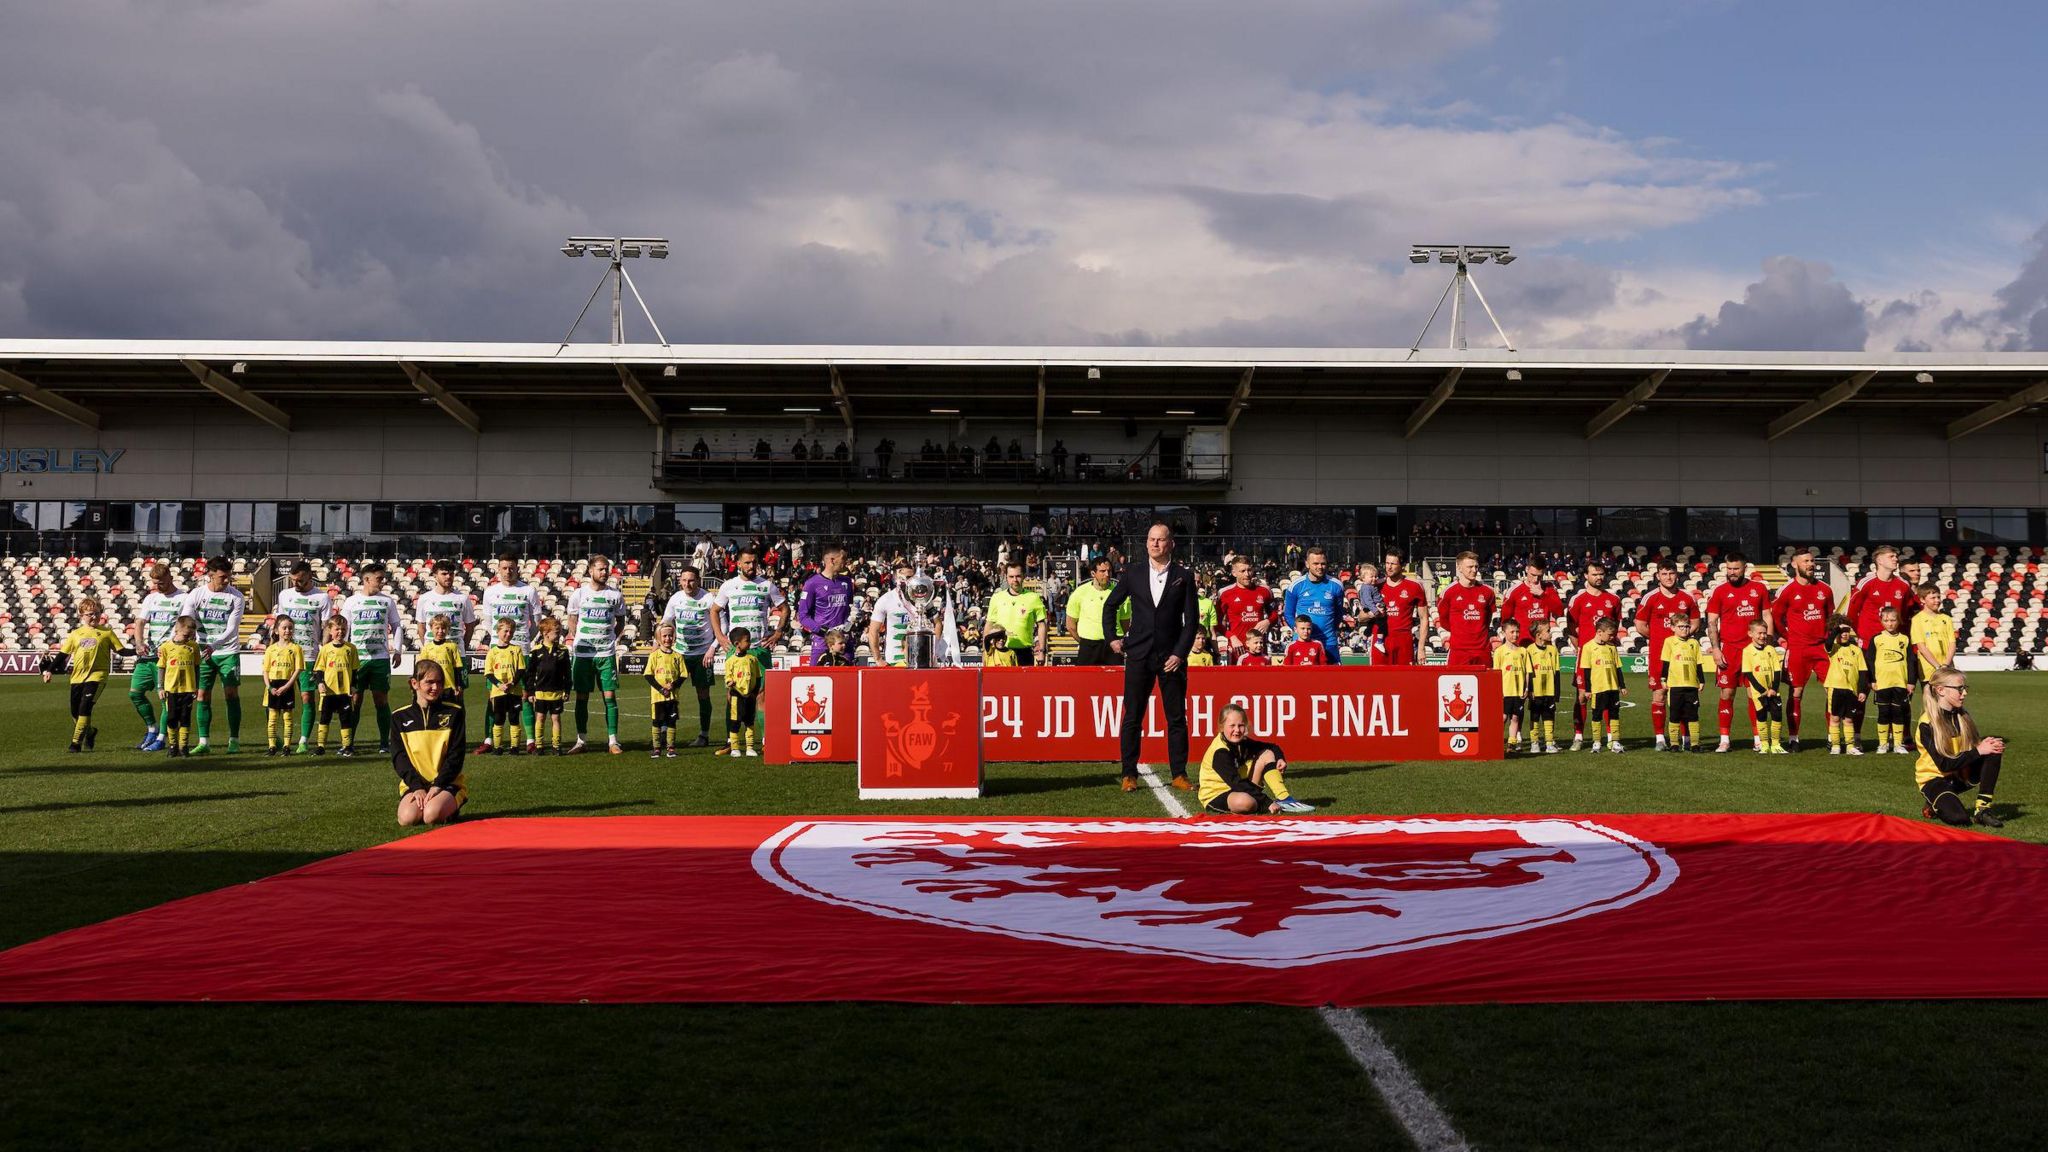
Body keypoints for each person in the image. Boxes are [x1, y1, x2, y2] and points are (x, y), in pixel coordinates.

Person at [1103, 522, 1200, 793]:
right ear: (1146, 543)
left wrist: (1180, 654)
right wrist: (1112, 637)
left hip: (1171, 658)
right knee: (1132, 716)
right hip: (1138, 655)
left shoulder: (1184, 575)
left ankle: (1179, 774)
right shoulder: (1132, 573)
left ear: (1171, 544)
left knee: (1177, 718)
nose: (1155, 544)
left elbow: (1191, 621)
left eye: (1160, 540)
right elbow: (1110, 606)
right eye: (1151, 539)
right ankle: (1128, 774)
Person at [1914, 668, 2007, 827]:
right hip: (1934, 779)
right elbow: (1944, 764)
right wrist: (1978, 750)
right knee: (1959, 818)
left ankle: (1982, 811)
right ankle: (1933, 803)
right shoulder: (1927, 724)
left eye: (1965, 688)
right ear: (1941, 690)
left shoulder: (1962, 715)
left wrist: (1985, 745)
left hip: (1958, 772)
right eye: (1959, 689)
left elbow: (1973, 747)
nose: (1964, 693)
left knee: (1992, 749)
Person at [1705, 553, 1772, 753]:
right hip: (1729, 650)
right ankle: (1724, 739)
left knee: (1755, 694)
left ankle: (1758, 738)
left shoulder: (1758, 589)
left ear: (1745, 568)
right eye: (1729, 569)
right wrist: (1716, 649)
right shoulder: (1720, 591)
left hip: (1753, 650)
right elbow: (1711, 621)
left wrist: (1767, 644)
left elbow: (1767, 615)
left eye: (1736, 569)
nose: (1732, 572)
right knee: (1727, 693)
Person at [1197, 702, 1314, 814]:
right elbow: (1236, 783)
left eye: (1241, 725)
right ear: (1222, 727)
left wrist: (1280, 758)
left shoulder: (1241, 742)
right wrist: (1267, 802)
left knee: (1267, 754)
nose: (1237, 730)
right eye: (1232, 726)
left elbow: (1271, 747)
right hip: (1217, 794)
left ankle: (1284, 799)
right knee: (1246, 802)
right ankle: (1265, 804)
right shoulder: (1220, 752)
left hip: (1239, 787)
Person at [1771, 547, 1835, 751]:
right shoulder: (1787, 590)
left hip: (1821, 648)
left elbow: (1831, 617)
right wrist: (1787, 638)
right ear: (1794, 564)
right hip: (1798, 648)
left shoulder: (1825, 589)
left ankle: (1832, 736)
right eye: (1806, 561)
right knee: (1796, 692)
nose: (1810, 564)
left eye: (1811, 561)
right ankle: (1793, 738)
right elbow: (1775, 617)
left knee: (1833, 690)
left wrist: (1828, 639)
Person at [478, 551, 542, 753]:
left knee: (525, 695)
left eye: (511, 568)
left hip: (521, 651)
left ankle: (530, 740)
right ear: (498, 569)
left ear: (518, 568)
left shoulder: (528, 591)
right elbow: (488, 623)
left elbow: (537, 622)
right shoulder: (490, 592)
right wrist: (499, 641)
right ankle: (489, 741)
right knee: (494, 697)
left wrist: (524, 640)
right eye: (504, 568)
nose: (508, 571)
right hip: (498, 652)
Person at [182, 558, 246, 755]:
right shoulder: (196, 594)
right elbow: (186, 620)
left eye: (228, 576)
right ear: (210, 574)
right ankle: (204, 742)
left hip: (227, 651)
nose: (226, 580)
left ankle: (234, 740)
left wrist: (214, 645)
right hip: (202, 651)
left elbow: (232, 628)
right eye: (222, 577)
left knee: (231, 694)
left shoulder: (236, 597)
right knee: (202, 695)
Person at [392, 658, 466, 827]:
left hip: (447, 782)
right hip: (415, 783)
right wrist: (417, 787)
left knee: (431, 816)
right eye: (429, 682)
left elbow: (456, 755)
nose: (435, 688)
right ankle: (432, 802)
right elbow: (399, 757)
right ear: (414, 683)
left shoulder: (454, 713)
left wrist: (438, 785)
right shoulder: (399, 717)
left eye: (439, 683)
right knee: (407, 819)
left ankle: (454, 803)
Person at [565, 554, 628, 755]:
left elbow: (621, 623)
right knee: (581, 697)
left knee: (609, 696)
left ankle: (613, 741)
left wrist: (610, 640)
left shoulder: (615, 595)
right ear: (590, 570)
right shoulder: (578, 594)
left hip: (606, 654)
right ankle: (581, 741)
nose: (604, 572)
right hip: (583, 655)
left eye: (606, 569)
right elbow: (572, 620)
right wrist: (578, 638)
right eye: (600, 569)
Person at [1636, 559, 1700, 751]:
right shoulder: (1650, 598)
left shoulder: (1687, 598)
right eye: (1664, 574)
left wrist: (1683, 636)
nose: (1668, 577)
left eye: (1671, 573)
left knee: (1683, 695)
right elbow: (1640, 625)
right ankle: (1660, 738)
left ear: (1677, 575)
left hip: (1683, 656)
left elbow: (1696, 622)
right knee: (1660, 694)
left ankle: (1685, 738)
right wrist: (1658, 639)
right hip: (1659, 655)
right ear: (1658, 576)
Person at [341, 561, 405, 754]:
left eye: (382, 578)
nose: (382, 582)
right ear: (366, 579)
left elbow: (397, 626)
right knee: (355, 699)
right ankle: (348, 743)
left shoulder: (387, 601)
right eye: (378, 579)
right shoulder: (351, 601)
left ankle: (384, 743)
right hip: (357, 659)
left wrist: (398, 650)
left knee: (381, 700)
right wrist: (342, 652)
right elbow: (344, 627)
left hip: (380, 659)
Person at [127, 562, 189, 752]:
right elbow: (140, 622)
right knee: (135, 694)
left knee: (166, 700)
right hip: (149, 655)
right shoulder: (151, 598)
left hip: (168, 656)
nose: (157, 587)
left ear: (170, 578)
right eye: (154, 583)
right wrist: (139, 643)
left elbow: (186, 625)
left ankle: (163, 738)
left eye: (160, 583)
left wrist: (174, 645)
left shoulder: (183, 598)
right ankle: (152, 730)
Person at [273, 560, 333, 755]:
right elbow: (279, 624)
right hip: (285, 656)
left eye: (299, 580)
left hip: (309, 654)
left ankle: (304, 740)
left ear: (309, 576)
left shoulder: (322, 598)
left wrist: (322, 650)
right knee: (276, 697)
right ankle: (276, 738)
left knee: (307, 697)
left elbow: (325, 627)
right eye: (293, 580)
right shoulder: (284, 595)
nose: (295, 584)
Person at [660, 565, 723, 746]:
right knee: (669, 691)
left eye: (691, 580)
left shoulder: (709, 599)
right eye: (684, 580)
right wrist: (660, 645)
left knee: (703, 695)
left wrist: (712, 648)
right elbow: (666, 622)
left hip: (703, 654)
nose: (687, 584)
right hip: (680, 653)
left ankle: (703, 735)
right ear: (679, 581)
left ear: (698, 581)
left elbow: (722, 626)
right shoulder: (675, 599)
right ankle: (665, 731)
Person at [45, 596, 118, 753]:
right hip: (77, 677)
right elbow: (63, 655)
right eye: (90, 614)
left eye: (97, 613)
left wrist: (139, 650)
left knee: (85, 707)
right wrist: (49, 669)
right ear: (81, 616)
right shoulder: (75, 634)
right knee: (75, 712)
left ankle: (75, 743)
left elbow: (122, 650)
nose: (94, 616)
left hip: (98, 676)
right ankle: (90, 732)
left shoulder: (107, 633)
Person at [1563, 558, 1620, 751]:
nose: (1598, 577)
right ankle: (1578, 736)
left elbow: (1615, 627)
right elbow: (1571, 630)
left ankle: (1612, 737)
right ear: (1586, 576)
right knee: (1581, 696)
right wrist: (1585, 650)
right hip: (1586, 657)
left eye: (1601, 574)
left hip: (1607, 658)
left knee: (1608, 696)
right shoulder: (1577, 600)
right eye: (1594, 574)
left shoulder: (1613, 600)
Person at [716, 547, 787, 663]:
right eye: (747, 563)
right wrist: (719, 636)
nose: (751, 566)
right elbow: (714, 610)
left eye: (754, 562)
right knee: (734, 682)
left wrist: (778, 632)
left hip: (760, 648)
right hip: (735, 648)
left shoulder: (767, 585)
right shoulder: (728, 585)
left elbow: (785, 609)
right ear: (739, 564)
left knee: (762, 682)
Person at [1282, 547, 1346, 664]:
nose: (1320, 567)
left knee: (1333, 680)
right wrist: (1300, 633)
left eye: (1323, 564)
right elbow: (1288, 614)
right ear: (1307, 564)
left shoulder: (1336, 586)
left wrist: (1330, 630)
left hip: (1328, 642)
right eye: (1315, 563)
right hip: (1303, 644)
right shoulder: (1296, 586)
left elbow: (1338, 613)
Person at [1434, 551, 1497, 669]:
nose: (1474, 570)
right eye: (1470, 567)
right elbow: (1444, 621)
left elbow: (1487, 618)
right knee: (1457, 685)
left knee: (1484, 686)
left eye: (1476, 566)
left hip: (1482, 650)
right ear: (1459, 568)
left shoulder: (1487, 592)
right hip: (1459, 651)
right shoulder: (1448, 592)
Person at [796, 543, 853, 663]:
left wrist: (853, 618)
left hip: (844, 641)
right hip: (822, 642)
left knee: (848, 680)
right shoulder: (812, 583)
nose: (846, 562)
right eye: (843, 559)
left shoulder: (847, 582)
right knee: (817, 679)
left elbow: (850, 608)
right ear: (832, 560)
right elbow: (802, 616)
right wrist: (824, 630)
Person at [312, 616, 360, 756]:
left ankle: (347, 746)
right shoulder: (326, 649)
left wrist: (353, 685)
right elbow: (319, 670)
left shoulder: (351, 648)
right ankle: (321, 746)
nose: (340, 632)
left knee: (345, 719)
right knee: (324, 718)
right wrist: (320, 683)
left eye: (343, 629)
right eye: (337, 629)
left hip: (344, 691)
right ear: (330, 631)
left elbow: (355, 670)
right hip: (329, 691)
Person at [1215, 556, 1276, 666]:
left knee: (1263, 682)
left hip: (1260, 649)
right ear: (1234, 573)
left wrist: (1268, 621)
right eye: (1242, 571)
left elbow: (1275, 614)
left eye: (1249, 570)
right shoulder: (1225, 594)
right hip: (1238, 650)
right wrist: (1231, 637)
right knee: (1238, 682)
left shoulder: (1264, 591)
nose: (1247, 574)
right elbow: (1216, 623)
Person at [1659, 613, 1706, 753]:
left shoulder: (1694, 643)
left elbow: (1698, 664)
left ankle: (1694, 744)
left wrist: (1701, 680)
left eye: (1687, 626)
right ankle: (1674, 743)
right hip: (1675, 685)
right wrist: (1663, 679)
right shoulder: (1669, 641)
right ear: (1673, 627)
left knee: (1693, 715)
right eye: (1681, 626)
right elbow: (1665, 663)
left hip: (1691, 685)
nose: (1685, 629)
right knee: (1674, 714)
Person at [1870, 607, 1914, 755]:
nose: (1890, 623)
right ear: (1881, 621)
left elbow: (1910, 661)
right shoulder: (1876, 639)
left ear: (1899, 621)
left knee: (1898, 713)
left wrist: (1911, 682)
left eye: (1893, 620)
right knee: (1883, 713)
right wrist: (1872, 680)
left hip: (1900, 683)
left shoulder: (1904, 639)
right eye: (1886, 620)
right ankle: (1883, 744)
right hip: (1882, 683)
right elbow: (1869, 661)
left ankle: (1897, 744)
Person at [986, 562, 1048, 665]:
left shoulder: (1034, 598)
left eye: (1018, 576)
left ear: (1023, 576)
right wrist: (986, 651)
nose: (1015, 580)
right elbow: (989, 625)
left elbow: (1041, 625)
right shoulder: (997, 598)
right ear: (1006, 577)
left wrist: (1041, 651)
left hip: (1024, 652)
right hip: (1001, 652)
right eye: (1011, 577)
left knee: (1025, 682)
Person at [1743, 619, 1790, 755]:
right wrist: (1762, 691)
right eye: (1759, 633)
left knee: (1777, 716)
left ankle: (1775, 744)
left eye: (1764, 633)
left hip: (1774, 691)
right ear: (1750, 634)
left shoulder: (1770, 649)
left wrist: (1774, 689)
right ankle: (1764, 744)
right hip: (1760, 693)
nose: (1763, 636)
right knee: (1761, 717)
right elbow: (1749, 674)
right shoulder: (1747, 651)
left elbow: (1776, 670)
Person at [482, 617, 528, 756]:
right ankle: (498, 747)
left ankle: (515, 747)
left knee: (514, 718)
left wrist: (512, 683)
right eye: (506, 631)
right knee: (498, 719)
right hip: (498, 692)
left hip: (514, 691)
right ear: (498, 631)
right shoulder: (492, 652)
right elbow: (488, 673)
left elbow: (521, 669)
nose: (508, 634)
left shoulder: (516, 649)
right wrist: (499, 685)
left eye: (511, 632)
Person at [525, 617, 572, 754]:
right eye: (556, 633)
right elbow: (530, 673)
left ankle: (556, 746)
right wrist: (531, 692)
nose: (559, 635)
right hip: (540, 692)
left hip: (556, 691)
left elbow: (567, 672)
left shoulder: (563, 650)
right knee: (540, 717)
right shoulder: (536, 651)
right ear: (546, 633)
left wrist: (567, 689)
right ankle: (539, 746)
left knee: (556, 718)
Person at [158, 616, 202, 758]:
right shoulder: (165, 647)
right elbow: (161, 667)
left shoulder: (193, 647)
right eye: (185, 634)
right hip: (171, 689)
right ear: (177, 630)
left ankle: (184, 746)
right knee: (171, 718)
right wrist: (160, 687)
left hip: (188, 689)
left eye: (191, 635)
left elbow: (196, 667)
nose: (188, 637)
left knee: (185, 718)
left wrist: (196, 686)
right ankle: (172, 746)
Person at [260, 617, 304, 756]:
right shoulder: (271, 649)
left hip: (287, 685)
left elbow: (298, 670)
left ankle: (286, 746)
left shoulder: (296, 648)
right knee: (272, 718)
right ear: (276, 630)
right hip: (273, 685)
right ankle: (272, 746)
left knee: (287, 717)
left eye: (290, 628)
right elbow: (265, 671)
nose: (287, 631)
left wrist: (287, 686)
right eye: (284, 628)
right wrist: (269, 687)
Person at [1581, 617, 1625, 754]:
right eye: (1610, 634)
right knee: (1597, 715)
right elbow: (1586, 671)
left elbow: (1618, 668)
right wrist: (1588, 690)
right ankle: (1597, 742)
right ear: (1599, 632)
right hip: (1598, 688)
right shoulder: (1588, 647)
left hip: (1612, 687)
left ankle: (1615, 741)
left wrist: (1622, 686)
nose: (1612, 637)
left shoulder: (1612, 647)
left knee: (1614, 714)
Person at [1065, 557, 1120, 666]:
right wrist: (1085, 643)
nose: (1107, 574)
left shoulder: (1119, 592)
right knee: (1085, 682)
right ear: (1093, 573)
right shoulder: (1079, 593)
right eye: (1102, 571)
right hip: (1088, 647)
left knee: (1113, 682)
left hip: (1113, 647)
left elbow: (1125, 623)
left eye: (1109, 571)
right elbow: (1070, 625)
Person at [867, 559, 921, 667]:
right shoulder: (886, 599)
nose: (910, 581)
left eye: (912, 577)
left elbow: (937, 623)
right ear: (897, 576)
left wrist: (935, 651)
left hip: (919, 660)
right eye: (907, 577)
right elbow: (873, 631)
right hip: (894, 661)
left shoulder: (922, 598)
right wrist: (878, 659)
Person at [720, 626, 765, 757]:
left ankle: (749, 748)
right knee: (735, 723)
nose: (750, 643)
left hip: (750, 696)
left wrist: (755, 692)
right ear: (737, 644)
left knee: (750, 722)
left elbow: (757, 676)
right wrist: (730, 683)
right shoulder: (730, 661)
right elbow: (727, 677)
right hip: (736, 696)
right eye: (747, 640)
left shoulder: (752, 659)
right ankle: (735, 748)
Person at [1378, 550, 1426, 665]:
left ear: (1402, 566)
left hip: (1404, 640)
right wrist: (1370, 614)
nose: (1389, 567)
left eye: (1393, 564)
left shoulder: (1415, 586)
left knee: (1404, 681)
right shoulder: (1377, 585)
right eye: (1387, 563)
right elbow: (1360, 617)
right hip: (1381, 640)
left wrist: (1421, 648)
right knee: (1378, 681)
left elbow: (1424, 618)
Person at [646, 620, 685, 759]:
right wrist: (661, 689)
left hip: (672, 697)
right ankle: (656, 748)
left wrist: (673, 686)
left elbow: (683, 675)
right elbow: (648, 676)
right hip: (658, 697)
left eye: (670, 636)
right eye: (664, 636)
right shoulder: (654, 656)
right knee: (656, 721)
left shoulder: (678, 656)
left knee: (671, 722)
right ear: (658, 638)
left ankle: (671, 748)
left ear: (674, 637)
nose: (667, 638)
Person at [1493, 619, 1532, 753]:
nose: (1515, 635)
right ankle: (1496, 740)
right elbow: (1496, 673)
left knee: (1515, 717)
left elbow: (1527, 672)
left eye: (1517, 632)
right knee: (1503, 717)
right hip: (1505, 691)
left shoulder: (1523, 651)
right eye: (1512, 632)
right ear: (1504, 633)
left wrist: (1527, 688)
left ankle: (1512, 743)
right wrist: (1498, 690)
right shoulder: (1500, 651)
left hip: (1519, 691)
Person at [1501, 559, 1564, 640]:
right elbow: (1505, 620)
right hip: (1523, 643)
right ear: (1527, 569)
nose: (1536, 579)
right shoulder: (1514, 591)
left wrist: (1542, 595)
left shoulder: (1549, 588)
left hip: (1543, 643)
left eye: (1540, 576)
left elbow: (1559, 612)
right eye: (1533, 575)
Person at [1526, 619, 1562, 753]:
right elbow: (1528, 673)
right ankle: (1534, 743)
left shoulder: (1553, 650)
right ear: (1538, 634)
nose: (1550, 633)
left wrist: (1556, 693)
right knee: (1534, 716)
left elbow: (1556, 672)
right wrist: (1530, 690)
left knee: (1549, 716)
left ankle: (1549, 743)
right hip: (1536, 691)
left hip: (1550, 690)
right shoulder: (1529, 650)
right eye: (1547, 631)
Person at [419, 614, 468, 705]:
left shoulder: (452, 646)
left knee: (451, 713)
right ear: (431, 628)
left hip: (449, 687)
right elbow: (422, 670)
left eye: (443, 628)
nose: (440, 631)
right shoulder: (427, 648)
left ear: (448, 629)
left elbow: (457, 668)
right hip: (433, 687)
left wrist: (459, 685)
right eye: (437, 628)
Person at [1910, 583, 1956, 679]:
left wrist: (1945, 665)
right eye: (1933, 598)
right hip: (1929, 668)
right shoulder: (1917, 619)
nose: (1937, 601)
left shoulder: (1946, 618)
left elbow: (1952, 643)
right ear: (1922, 600)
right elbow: (1921, 647)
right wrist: (1937, 666)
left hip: (1948, 667)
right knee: (1929, 693)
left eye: (1938, 597)